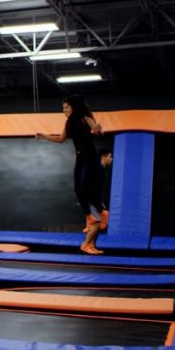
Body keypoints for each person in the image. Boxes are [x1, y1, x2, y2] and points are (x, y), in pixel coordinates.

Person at [36, 95, 109, 255]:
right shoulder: (68, 122)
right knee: (77, 188)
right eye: (63, 108)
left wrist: (97, 129)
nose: (64, 111)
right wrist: (44, 137)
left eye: (66, 108)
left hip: (91, 157)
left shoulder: (85, 118)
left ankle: (100, 213)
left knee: (85, 187)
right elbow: (61, 139)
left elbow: (98, 131)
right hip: (81, 157)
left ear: (74, 107)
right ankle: (91, 216)